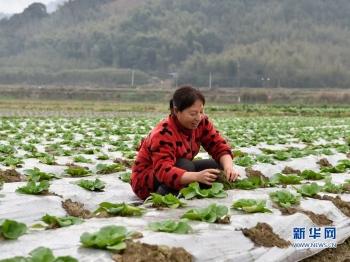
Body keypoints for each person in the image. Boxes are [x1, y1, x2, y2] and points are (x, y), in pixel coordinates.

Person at [131, 85, 239, 200]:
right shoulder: (163, 132)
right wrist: (197, 176)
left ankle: (188, 188)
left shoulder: (202, 122)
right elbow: (163, 170)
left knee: (216, 167)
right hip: (147, 181)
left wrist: (228, 167)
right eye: (193, 114)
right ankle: (163, 195)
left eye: (201, 112)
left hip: (181, 170)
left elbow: (218, 146)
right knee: (186, 165)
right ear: (176, 111)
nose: (198, 117)